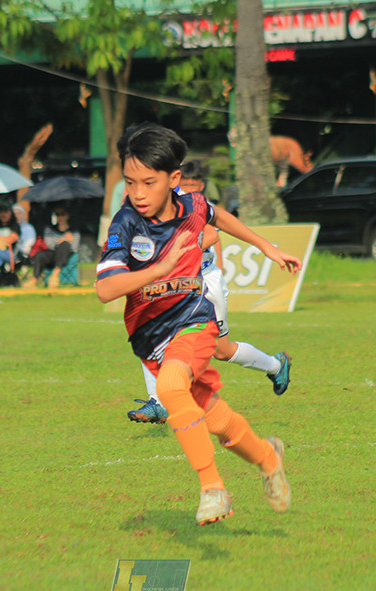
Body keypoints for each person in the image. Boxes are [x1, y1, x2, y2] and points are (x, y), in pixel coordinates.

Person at [96, 122, 301, 525]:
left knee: (171, 389)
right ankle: (268, 458)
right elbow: (106, 289)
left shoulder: (191, 205)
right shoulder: (126, 225)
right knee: (215, 417)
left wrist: (266, 246)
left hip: (194, 322)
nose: (137, 193)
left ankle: (213, 489)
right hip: (152, 339)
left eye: (148, 183)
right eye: (130, 182)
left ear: (174, 179)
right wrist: (160, 268)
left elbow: (218, 215)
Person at [127, 159, 291, 424]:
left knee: (222, 350)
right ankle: (157, 402)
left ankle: (276, 365)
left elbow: (212, 235)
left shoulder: (186, 203)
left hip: (202, 281)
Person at [25, 206, 80, 289]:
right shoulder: (49, 229)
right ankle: (34, 280)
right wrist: (64, 239)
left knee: (64, 245)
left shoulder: (74, 231)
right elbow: (50, 244)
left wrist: (62, 242)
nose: (60, 217)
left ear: (67, 216)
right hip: (53, 253)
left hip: (67, 255)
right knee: (40, 255)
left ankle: (55, 275)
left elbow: (74, 247)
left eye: (62, 214)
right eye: (58, 214)